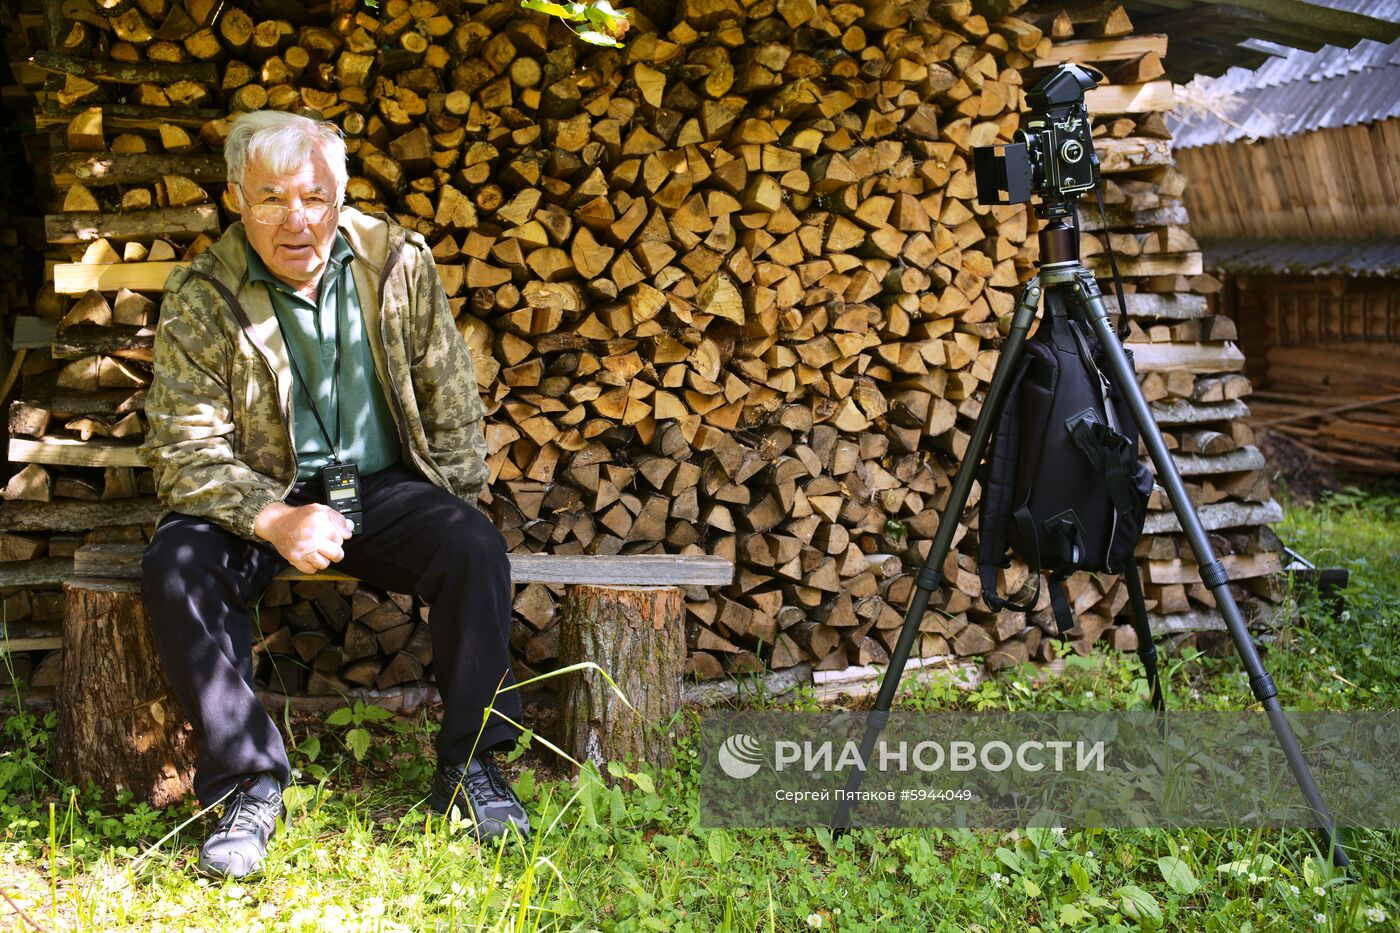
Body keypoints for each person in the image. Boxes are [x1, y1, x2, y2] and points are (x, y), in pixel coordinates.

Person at [139, 110, 529, 880]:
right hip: (260, 490)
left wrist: (455, 499)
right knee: (175, 565)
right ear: (235, 198)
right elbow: (182, 450)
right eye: (271, 199)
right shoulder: (202, 293)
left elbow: (450, 399)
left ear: (340, 193)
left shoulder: (396, 263)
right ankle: (248, 783)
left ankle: (470, 765)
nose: (297, 220)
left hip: (378, 487)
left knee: (473, 547)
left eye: (315, 197)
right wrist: (274, 517)